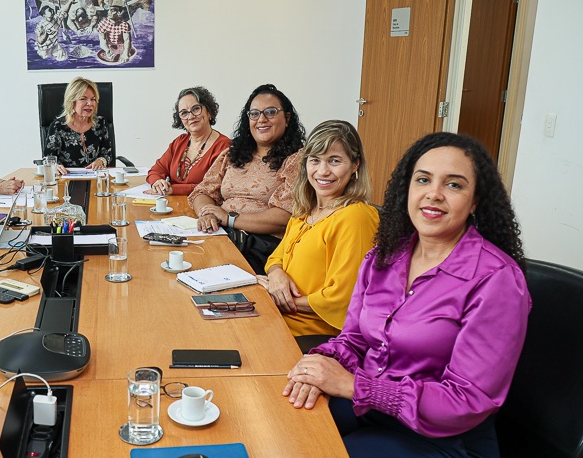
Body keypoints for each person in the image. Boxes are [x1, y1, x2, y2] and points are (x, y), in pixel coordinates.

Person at [284, 133, 531, 457]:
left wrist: (354, 386)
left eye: (454, 185)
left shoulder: (496, 281)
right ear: (407, 189)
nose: (434, 194)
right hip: (370, 409)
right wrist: (318, 367)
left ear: (475, 202)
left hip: (442, 438)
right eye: (423, 180)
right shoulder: (383, 257)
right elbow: (354, 339)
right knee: (285, 421)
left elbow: (466, 400)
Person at [258, 120, 378, 339]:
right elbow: (276, 258)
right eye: (315, 160)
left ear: (355, 165)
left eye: (334, 161)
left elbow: (342, 300)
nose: (323, 171)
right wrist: (276, 277)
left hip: (314, 336)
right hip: (276, 320)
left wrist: (281, 298)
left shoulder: (355, 217)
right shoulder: (306, 210)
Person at [188, 83, 305, 274]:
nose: (262, 119)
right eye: (255, 114)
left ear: (287, 117)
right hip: (223, 234)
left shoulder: (297, 160)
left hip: (262, 248)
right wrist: (207, 214)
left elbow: (284, 216)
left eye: (271, 112)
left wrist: (230, 219)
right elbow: (202, 191)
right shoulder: (232, 154)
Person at [146, 86, 231, 196]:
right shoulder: (179, 142)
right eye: (184, 113)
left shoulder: (224, 146)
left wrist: (174, 189)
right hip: (171, 205)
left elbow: (215, 187)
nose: (190, 116)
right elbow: (155, 171)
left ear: (209, 112)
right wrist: (157, 183)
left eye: (196, 109)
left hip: (204, 208)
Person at [44, 76, 114, 172]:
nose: (90, 103)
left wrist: (101, 161)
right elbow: (48, 159)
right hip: (66, 180)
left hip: (96, 178)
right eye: (83, 99)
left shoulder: (100, 123)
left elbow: (107, 153)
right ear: (72, 102)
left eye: (93, 99)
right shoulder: (57, 127)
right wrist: (55, 166)